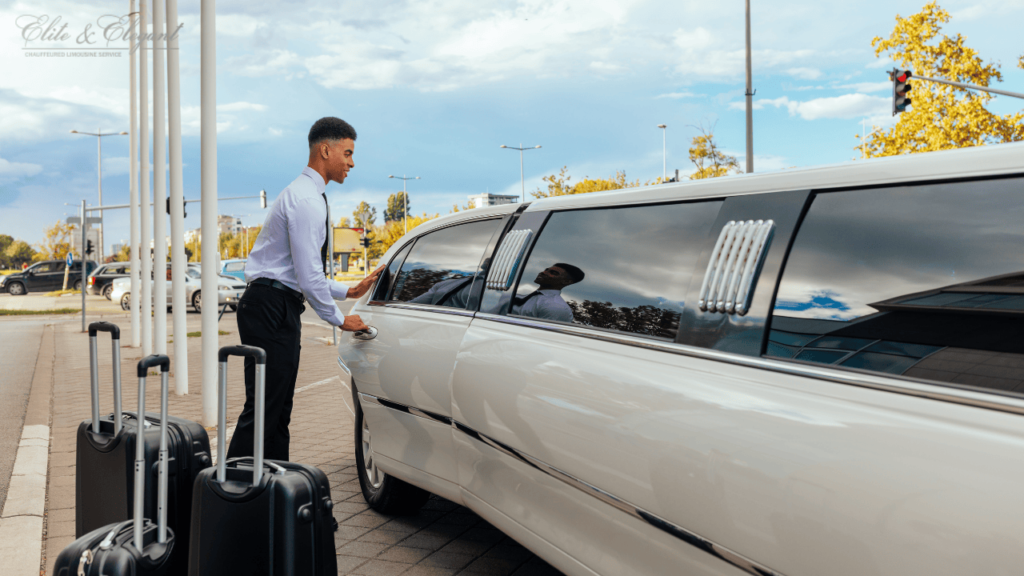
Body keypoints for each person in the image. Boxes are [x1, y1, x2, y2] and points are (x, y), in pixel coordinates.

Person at [227, 117, 382, 462]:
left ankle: (271, 487)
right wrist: (340, 320)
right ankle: (229, 493)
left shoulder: (306, 195)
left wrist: (349, 290)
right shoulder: (306, 200)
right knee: (266, 408)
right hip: (271, 306)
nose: (352, 162)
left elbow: (300, 271)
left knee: (278, 408)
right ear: (325, 150)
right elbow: (309, 275)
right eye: (348, 152)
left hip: (273, 303)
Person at [509, 263, 585, 322]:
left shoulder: (556, 307)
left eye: (553, 273)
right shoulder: (524, 297)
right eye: (546, 270)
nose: (543, 272)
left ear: (566, 281)